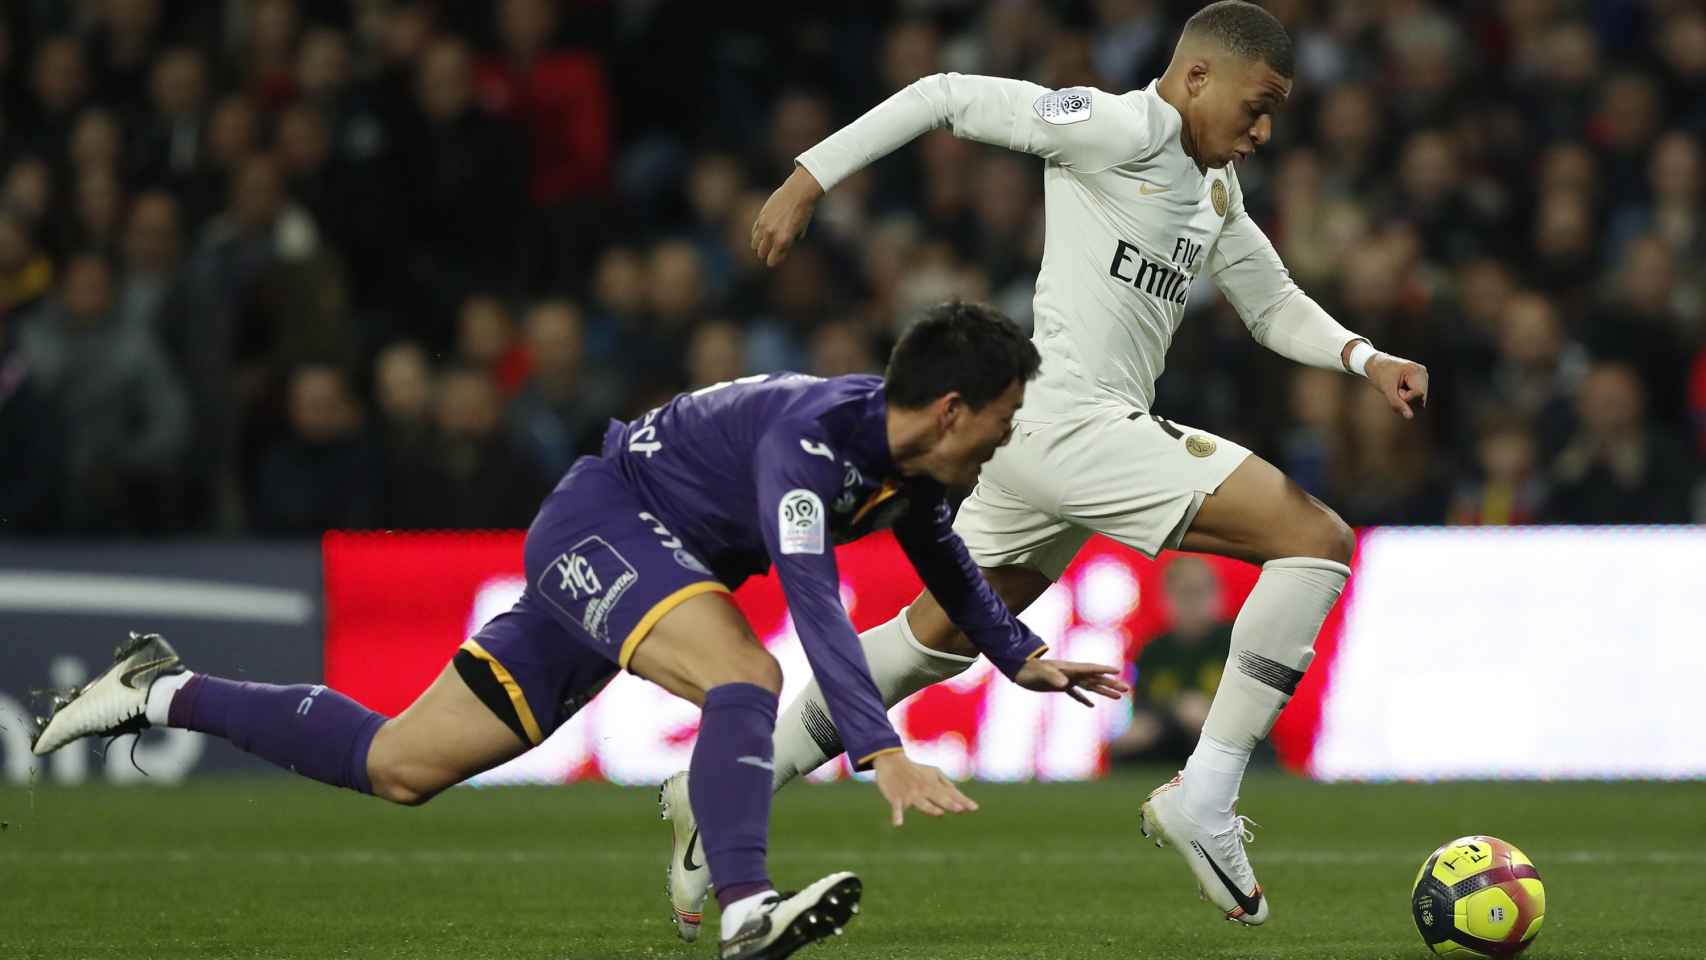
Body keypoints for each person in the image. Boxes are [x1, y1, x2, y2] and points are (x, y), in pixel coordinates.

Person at [31, 302, 1124, 960]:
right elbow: (812, 606)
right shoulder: (812, 445)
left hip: (650, 554)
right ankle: (743, 903)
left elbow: (941, 558)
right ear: (948, 410)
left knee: (399, 765)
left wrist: (1020, 655)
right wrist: (875, 749)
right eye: (1001, 417)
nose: (1006, 436)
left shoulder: (905, 466)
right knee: (741, 675)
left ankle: (157, 688)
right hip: (601, 523)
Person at [732, 0, 1430, 928]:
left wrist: (1363, 358)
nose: (1264, 129)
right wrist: (808, 178)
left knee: (933, 639)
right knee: (1316, 541)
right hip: (1074, 424)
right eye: (1256, 105)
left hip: (1038, 442)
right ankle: (1205, 795)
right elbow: (945, 94)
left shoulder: (1214, 189)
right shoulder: (1114, 128)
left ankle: (726, 789)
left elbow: (1270, 304)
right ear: (1194, 80)